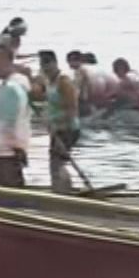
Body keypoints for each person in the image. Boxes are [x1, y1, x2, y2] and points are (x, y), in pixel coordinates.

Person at [0, 45, 34, 188]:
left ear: (4, 62)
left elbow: (10, 120)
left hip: (7, 149)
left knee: (8, 187)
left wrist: (16, 146)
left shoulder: (11, 87)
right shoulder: (18, 82)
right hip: (10, 147)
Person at [36, 50, 81, 192]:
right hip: (56, 128)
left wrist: (58, 123)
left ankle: (63, 191)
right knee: (56, 162)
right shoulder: (48, 80)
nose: (45, 68)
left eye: (48, 64)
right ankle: (61, 188)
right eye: (43, 65)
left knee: (57, 162)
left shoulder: (64, 81)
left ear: (55, 63)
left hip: (68, 128)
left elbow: (72, 109)